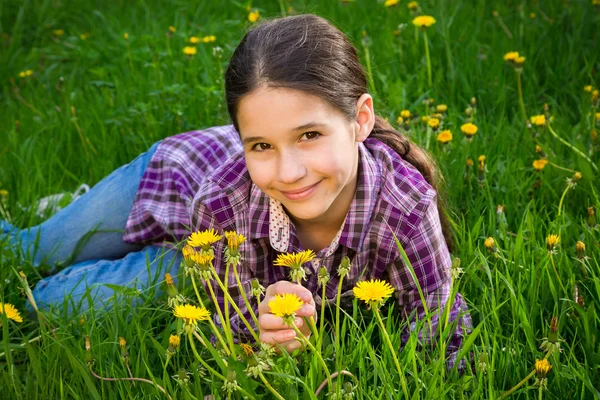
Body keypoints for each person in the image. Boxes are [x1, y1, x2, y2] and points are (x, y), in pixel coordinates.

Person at [2, 14, 470, 362]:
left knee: (38, 304)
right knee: (25, 253)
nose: (289, 172)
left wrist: (259, 334)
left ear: (360, 120)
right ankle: (72, 209)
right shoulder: (225, 198)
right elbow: (231, 323)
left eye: (310, 135)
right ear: (243, 140)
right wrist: (252, 325)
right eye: (261, 144)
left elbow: (442, 335)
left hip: (208, 249)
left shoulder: (406, 208)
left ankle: (165, 251)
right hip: (177, 177)